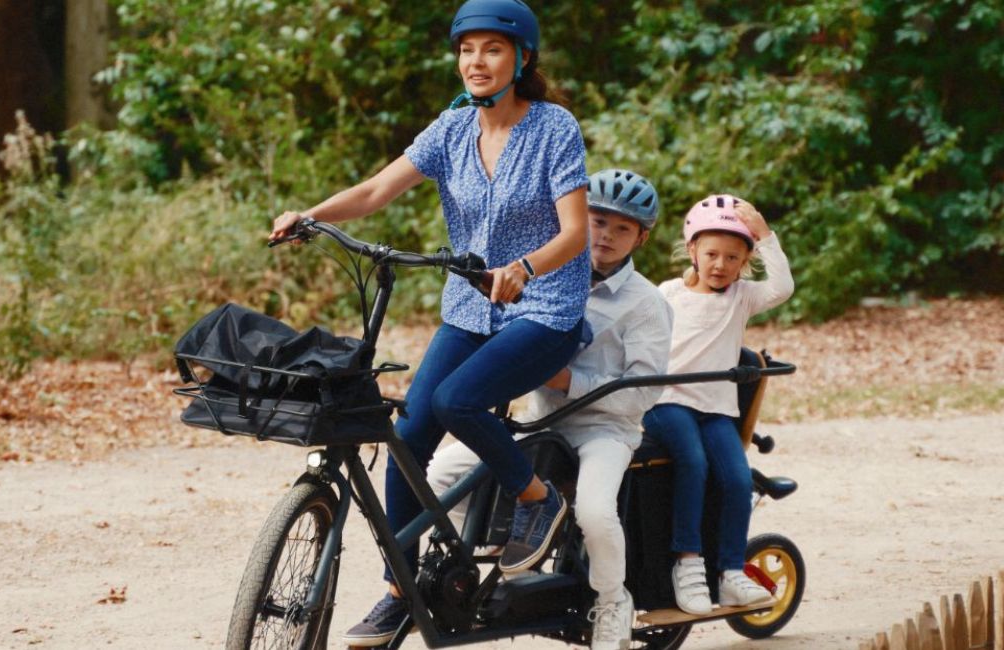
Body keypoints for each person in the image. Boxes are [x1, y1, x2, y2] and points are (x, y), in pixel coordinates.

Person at [263, 0, 593, 645]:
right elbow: (375, 191)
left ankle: (538, 500)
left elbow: (576, 231)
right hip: (471, 306)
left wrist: (527, 266)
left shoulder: (555, 127)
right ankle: (400, 590)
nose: (477, 61)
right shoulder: (449, 131)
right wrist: (310, 213)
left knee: (457, 401)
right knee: (406, 437)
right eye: (467, 49)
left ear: (522, 58)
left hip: (544, 305)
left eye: (493, 49)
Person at [417, 169, 670, 650]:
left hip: (604, 430)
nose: (606, 236)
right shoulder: (544, 277)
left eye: (622, 228)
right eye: (597, 221)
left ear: (642, 236)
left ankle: (613, 603)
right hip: (538, 420)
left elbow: (642, 392)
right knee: (442, 473)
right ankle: (475, 558)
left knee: (595, 512)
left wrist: (568, 380)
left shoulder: (647, 304)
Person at [642, 194, 795, 615]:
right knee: (693, 462)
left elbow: (783, 287)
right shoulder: (668, 292)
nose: (720, 265)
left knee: (737, 479)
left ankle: (730, 572)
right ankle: (687, 562)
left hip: (715, 408)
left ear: (745, 261)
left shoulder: (741, 297)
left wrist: (764, 236)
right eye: (711, 253)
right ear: (691, 250)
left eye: (733, 257)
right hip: (667, 400)